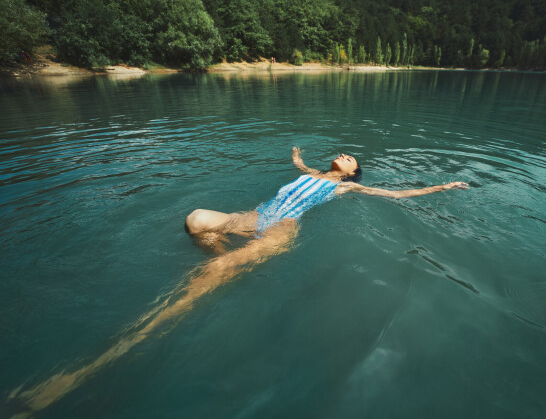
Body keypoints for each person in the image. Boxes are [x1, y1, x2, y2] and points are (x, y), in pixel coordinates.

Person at [10, 147, 468, 415]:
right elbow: (302, 169)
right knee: (195, 220)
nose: (345, 156)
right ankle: (230, 260)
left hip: (279, 229)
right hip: (253, 218)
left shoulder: (346, 187)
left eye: (351, 159)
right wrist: (297, 157)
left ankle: (126, 343)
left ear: (352, 174)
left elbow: (397, 193)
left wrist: (441, 188)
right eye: (344, 154)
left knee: (207, 274)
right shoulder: (312, 173)